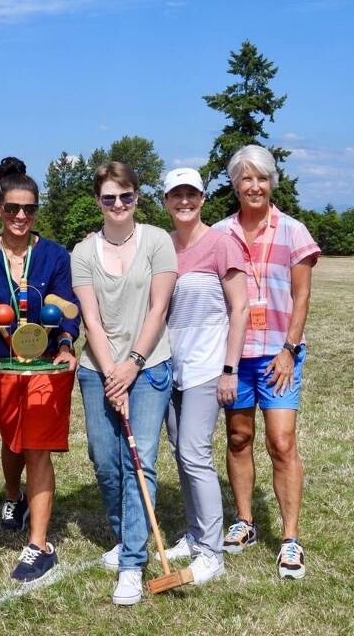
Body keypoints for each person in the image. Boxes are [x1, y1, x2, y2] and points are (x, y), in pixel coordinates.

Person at [0, 157, 79, 583]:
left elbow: (69, 309)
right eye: (12, 208)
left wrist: (66, 343)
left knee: (36, 445)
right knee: (12, 439)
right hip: (0, 366)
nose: (20, 216)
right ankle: (13, 496)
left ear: (37, 211)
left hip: (47, 368)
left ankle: (39, 545)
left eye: (29, 209)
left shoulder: (54, 255)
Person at [71, 161, 177, 605]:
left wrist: (132, 364)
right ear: (98, 201)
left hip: (150, 365)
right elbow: (91, 319)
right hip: (98, 370)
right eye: (109, 197)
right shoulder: (83, 252)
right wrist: (113, 372)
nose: (118, 204)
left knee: (141, 460)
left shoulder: (157, 241)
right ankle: (126, 535)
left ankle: (132, 564)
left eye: (126, 196)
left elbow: (158, 308)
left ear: (137, 196)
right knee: (105, 460)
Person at [213, 145, 320, 580]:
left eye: (261, 178)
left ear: (271, 183)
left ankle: (290, 539)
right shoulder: (220, 234)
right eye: (245, 178)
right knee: (239, 437)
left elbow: (303, 295)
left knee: (281, 442)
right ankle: (244, 522)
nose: (254, 186)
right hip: (236, 356)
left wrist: (289, 350)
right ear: (235, 184)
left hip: (280, 354)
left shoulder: (293, 231)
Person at [160, 168, 249, 585]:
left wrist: (229, 370)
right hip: (168, 367)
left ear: (202, 199)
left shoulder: (221, 244)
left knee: (195, 453)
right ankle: (195, 534)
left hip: (206, 367)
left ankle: (212, 552)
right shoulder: (161, 247)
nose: (184, 202)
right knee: (181, 451)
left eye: (191, 194)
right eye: (176, 195)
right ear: (164, 201)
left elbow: (240, 309)